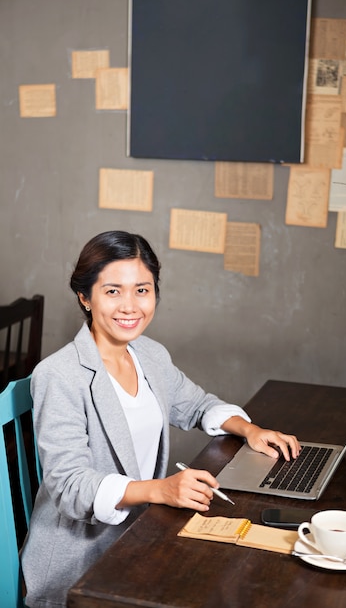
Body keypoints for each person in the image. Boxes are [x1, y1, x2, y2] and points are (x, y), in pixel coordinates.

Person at [22, 230, 300, 608]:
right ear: (85, 298)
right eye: (113, 291)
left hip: (142, 533)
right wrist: (160, 490)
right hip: (79, 559)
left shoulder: (150, 354)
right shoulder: (59, 374)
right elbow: (70, 486)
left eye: (142, 290)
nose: (130, 306)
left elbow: (196, 404)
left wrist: (250, 430)